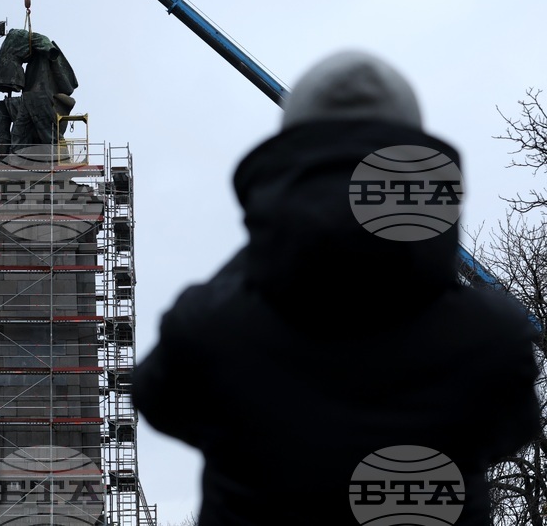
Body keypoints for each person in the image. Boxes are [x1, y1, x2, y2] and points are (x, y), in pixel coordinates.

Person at [131, 50, 542, 526]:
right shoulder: (493, 338)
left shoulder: (209, 325)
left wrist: (267, 240)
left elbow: (159, 398)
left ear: (288, 156)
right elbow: (512, 428)